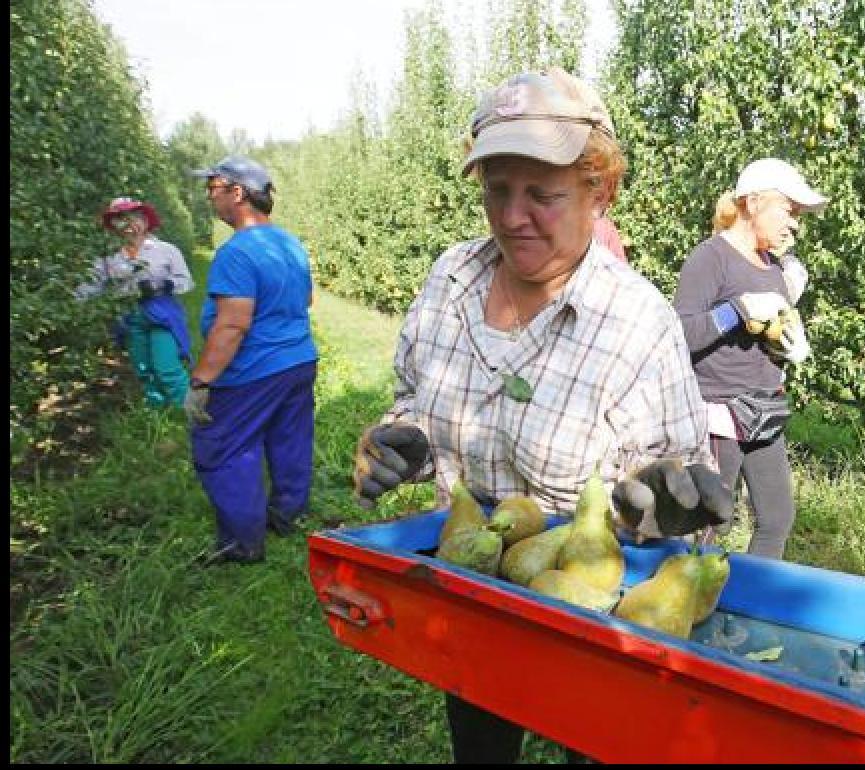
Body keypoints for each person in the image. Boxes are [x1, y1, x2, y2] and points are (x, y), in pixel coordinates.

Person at [350, 67, 734, 764]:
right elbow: (416, 400)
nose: (512, 216)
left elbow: (674, 473)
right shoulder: (451, 281)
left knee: (594, 742)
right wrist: (399, 441)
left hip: (588, 622)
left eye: (542, 194)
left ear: (600, 191)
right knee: (481, 741)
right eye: (497, 190)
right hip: (472, 595)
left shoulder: (634, 321)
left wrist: (670, 502)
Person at [672, 157, 826, 560]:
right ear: (754, 202)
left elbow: (767, 330)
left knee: (777, 519)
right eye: (789, 212)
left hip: (764, 408)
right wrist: (735, 310)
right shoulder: (711, 258)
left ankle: (752, 603)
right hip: (720, 413)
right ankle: (688, 605)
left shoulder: (773, 266)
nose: (794, 225)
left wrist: (787, 345)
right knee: (709, 523)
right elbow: (678, 335)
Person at [185, 155, 319, 565]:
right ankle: (286, 514)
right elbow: (307, 300)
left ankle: (242, 542)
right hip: (298, 361)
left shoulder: (237, 252)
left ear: (237, 192)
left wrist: (202, 382)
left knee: (224, 446)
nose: (210, 199)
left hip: (252, 371)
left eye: (213, 189)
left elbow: (232, 326)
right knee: (289, 437)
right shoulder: (289, 243)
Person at [74, 197, 195, 409]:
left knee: (167, 367)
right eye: (120, 219)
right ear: (113, 225)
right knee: (144, 368)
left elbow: (185, 281)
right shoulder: (109, 256)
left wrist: (164, 286)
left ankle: (187, 412)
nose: (129, 224)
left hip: (161, 314)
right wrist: (70, 302)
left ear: (146, 221)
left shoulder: (166, 250)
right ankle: (158, 411)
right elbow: (92, 284)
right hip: (129, 316)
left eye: (134, 218)